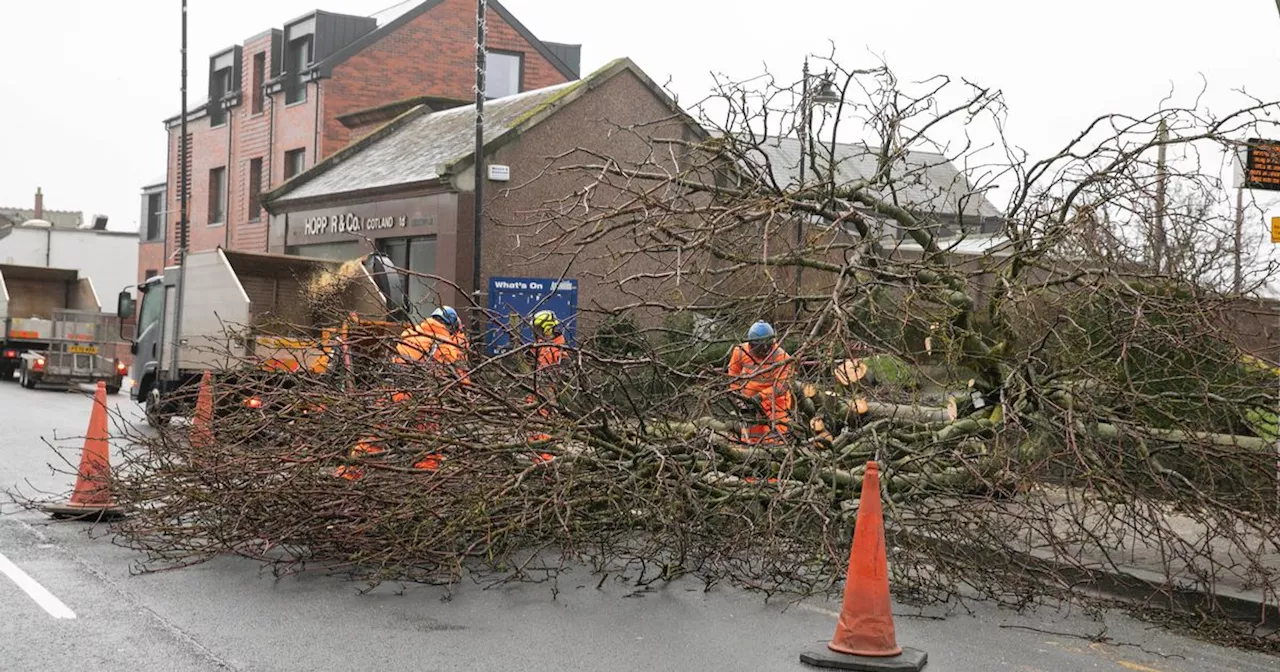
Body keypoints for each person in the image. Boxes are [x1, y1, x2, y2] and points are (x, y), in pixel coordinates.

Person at [727, 320, 794, 445]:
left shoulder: (782, 358)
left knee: (775, 440)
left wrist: (759, 397)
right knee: (750, 439)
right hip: (750, 402)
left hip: (776, 404)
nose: (760, 352)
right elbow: (733, 375)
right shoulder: (741, 351)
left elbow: (781, 386)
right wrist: (737, 397)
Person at [525, 310, 567, 462]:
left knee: (542, 426)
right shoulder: (546, 344)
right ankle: (538, 458)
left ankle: (545, 459)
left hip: (547, 394)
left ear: (547, 329)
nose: (535, 333)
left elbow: (559, 375)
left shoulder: (559, 350)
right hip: (539, 392)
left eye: (537, 329)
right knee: (534, 427)